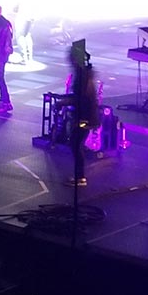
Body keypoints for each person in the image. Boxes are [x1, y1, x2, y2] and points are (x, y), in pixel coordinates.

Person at [58, 40, 101, 186]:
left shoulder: (82, 76)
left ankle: (80, 177)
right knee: (76, 143)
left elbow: (80, 98)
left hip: (84, 118)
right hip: (86, 117)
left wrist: (63, 102)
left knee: (76, 144)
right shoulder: (85, 73)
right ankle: (79, 176)